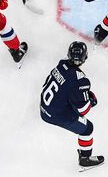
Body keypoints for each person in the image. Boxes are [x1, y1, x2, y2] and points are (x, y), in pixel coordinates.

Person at [40, 41, 104, 171]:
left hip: (43, 108)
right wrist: (92, 100)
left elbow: (49, 83)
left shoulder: (61, 64)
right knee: (88, 129)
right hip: (55, 115)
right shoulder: (81, 80)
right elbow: (83, 109)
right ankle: (85, 159)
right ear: (85, 57)